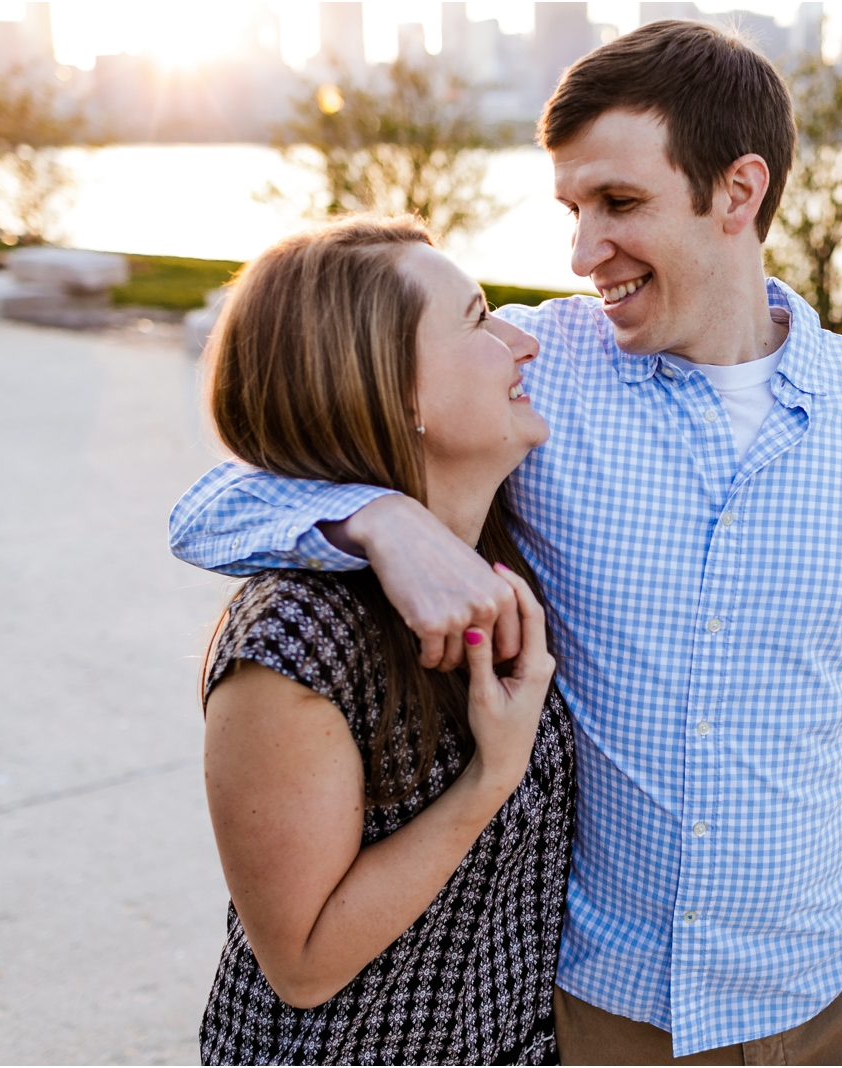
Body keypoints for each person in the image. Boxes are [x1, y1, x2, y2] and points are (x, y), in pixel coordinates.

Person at [172, 20, 842, 1065]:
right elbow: (217, 497)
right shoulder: (532, 371)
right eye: (570, 208)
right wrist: (375, 520)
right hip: (604, 1003)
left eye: (619, 204)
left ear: (738, 194)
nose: (580, 250)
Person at [192, 215, 574, 1065]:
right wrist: (493, 777)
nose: (522, 340)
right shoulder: (295, 639)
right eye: (477, 319)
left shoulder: (509, 551)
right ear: (399, 394)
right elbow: (300, 964)